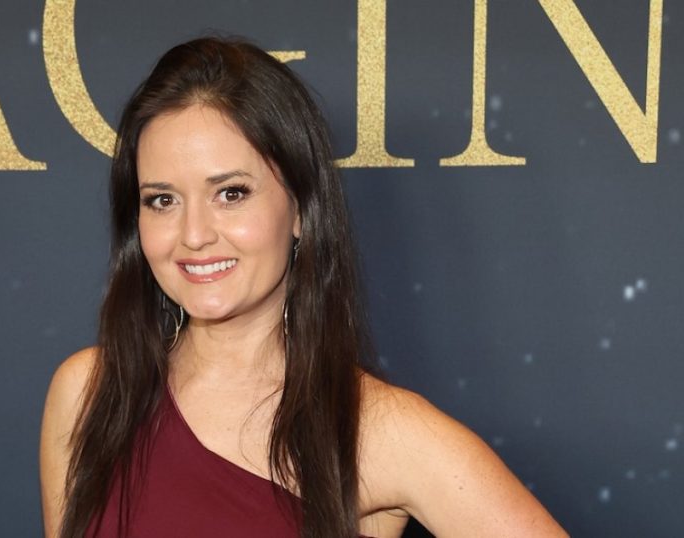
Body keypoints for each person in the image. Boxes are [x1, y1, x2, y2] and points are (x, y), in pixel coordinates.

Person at [39, 36, 567, 538]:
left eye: (231, 193)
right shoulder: (88, 393)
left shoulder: (377, 429)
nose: (194, 235)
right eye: (162, 200)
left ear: (299, 208)